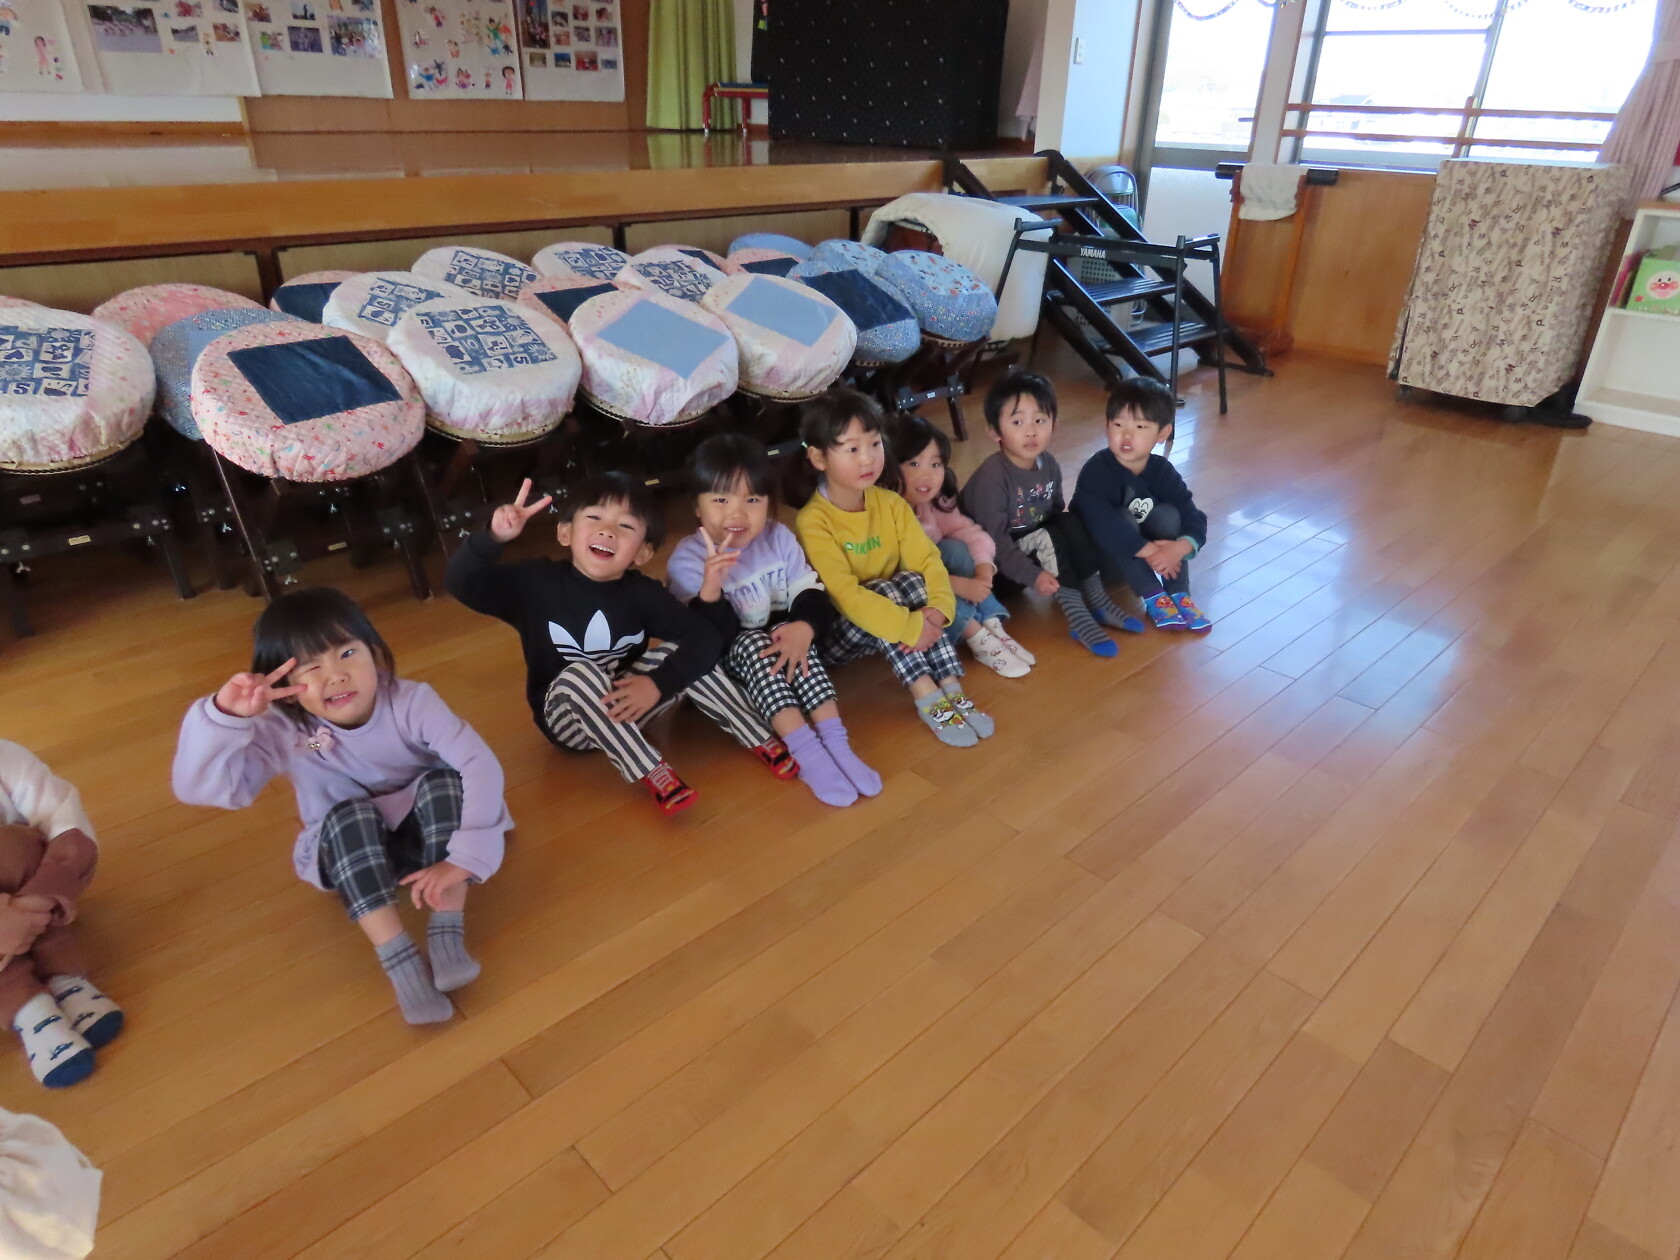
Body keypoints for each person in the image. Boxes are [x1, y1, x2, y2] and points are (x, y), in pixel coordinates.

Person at [173, 588, 510, 1026]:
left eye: (348, 653)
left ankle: (447, 935)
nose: (336, 675)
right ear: (284, 690)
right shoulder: (283, 731)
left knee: (445, 782)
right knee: (350, 815)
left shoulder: (412, 701)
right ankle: (401, 964)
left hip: (425, 840)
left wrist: (464, 857)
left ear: (375, 652)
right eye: (311, 666)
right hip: (352, 855)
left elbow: (478, 764)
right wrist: (225, 716)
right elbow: (200, 789)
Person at [446, 473, 792, 816]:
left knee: (679, 653)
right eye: (594, 517)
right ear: (565, 533)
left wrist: (657, 685)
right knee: (581, 673)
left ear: (642, 552)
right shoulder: (535, 582)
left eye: (625, 526)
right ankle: (653, 771)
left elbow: (704, 638)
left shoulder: (642, 593)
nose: (608, 531)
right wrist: (493, 537)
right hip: (567, 722)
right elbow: (461, 582)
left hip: (629, 707)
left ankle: (759, 736)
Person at [667, 434, 882, 807]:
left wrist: (804, 628)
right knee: (754, 641)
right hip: (729, 675)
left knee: (790, 630)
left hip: (783, 656)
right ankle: (807, 751)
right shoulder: (687, 560)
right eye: (721, 500)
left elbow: (810, 594)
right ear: (697, 508)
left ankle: (837, 743)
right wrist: (711, 590)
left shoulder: (777, 537)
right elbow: (707, 641)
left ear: (768, 503)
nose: (737, 513)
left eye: (752, 500)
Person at [790, 388, 994, 747]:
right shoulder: (813, 521)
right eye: (852, 449)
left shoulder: (890, 503)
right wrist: (909, 626)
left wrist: (938, 608)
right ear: (819, 457)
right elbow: (846, 596)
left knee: (914, 579)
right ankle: (926, 694)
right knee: (881, 588)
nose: (868, 458)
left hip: (894, 622)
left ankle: (951, 688)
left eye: (874, 444)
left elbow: (927, 560)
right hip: (841, 633)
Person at [960, 370, 1144, 658]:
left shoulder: (1049, 465)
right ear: (995, 432)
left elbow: (1055, 513)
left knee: (1068, 521)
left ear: (1054, 425)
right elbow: (994, 544)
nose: (1031, 431)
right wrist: (1033, 575)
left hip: (1029, 549)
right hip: (994, 571)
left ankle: (1097, 601)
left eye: (1040, 420)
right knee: (1050, 534)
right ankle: (1079, 618)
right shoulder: (992, 478)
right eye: (1017, 422)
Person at [0, 741, 121, 1088]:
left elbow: (63, 818)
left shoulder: (5, 758)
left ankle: (64, 978)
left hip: (35, 897)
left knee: (14, 848)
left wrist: (37, 898)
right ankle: (28, 1010)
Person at [888, 412, 1034, 679]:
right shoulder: (884, 513)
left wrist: (983, 569)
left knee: (955, 548)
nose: (927, 475)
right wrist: (956, 585)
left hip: (936, 577)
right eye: (914, 463)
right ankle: (976, 635)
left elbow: (965, 530)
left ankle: (992, 625)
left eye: (935, 464)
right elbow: (902, 574)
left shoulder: (930, 503)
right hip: (908, 594)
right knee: (926, 582)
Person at [1074, 378, 1211, 631]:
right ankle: (1153, 594)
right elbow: (1104, 525)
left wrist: (1179, 548)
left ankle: (1179, 593)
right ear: (1106, 426)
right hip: (1100, 563)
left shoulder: (1162, 471)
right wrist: (1150, 551)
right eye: (1118, 425)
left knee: (1169, 514)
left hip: (1139, 560)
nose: (1127, 435)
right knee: (1122, 519)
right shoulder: (1097, 471)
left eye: (1140, 426)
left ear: (1162, 433)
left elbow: (1191, 514)